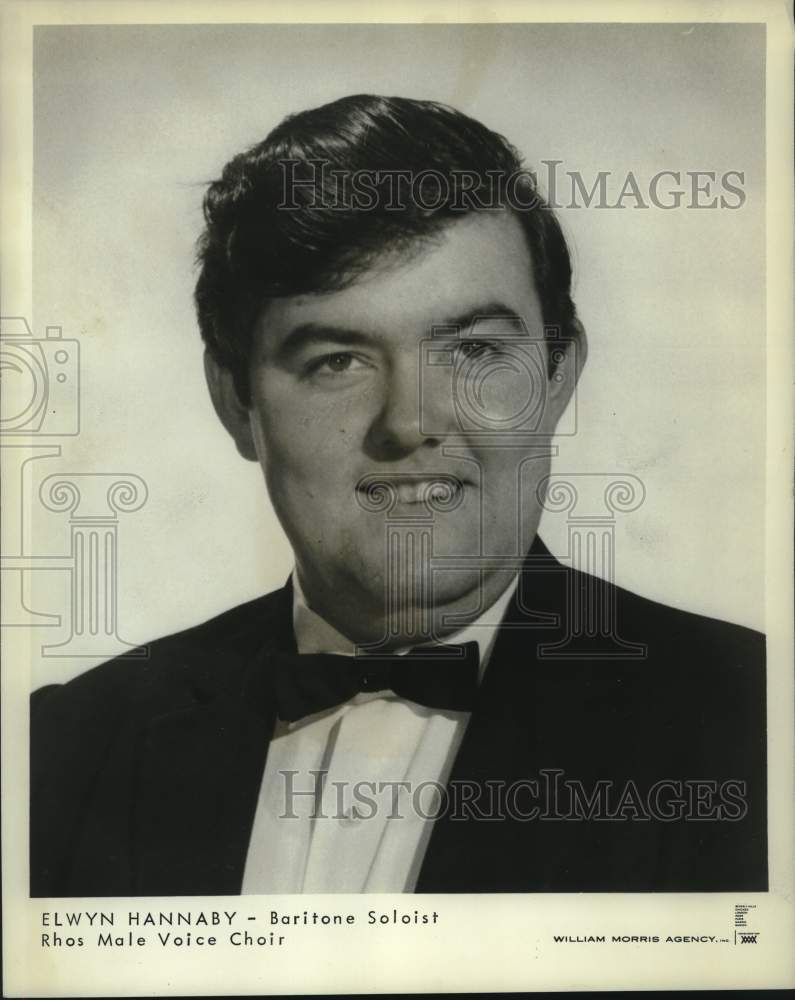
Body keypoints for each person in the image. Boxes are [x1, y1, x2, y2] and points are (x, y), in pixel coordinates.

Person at [30, 95, 766, 896]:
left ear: (558, 379)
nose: (408, 422)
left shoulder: (753, 720)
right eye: (337, 360)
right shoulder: (64, 745)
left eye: (474, 349)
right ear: (234, 402)